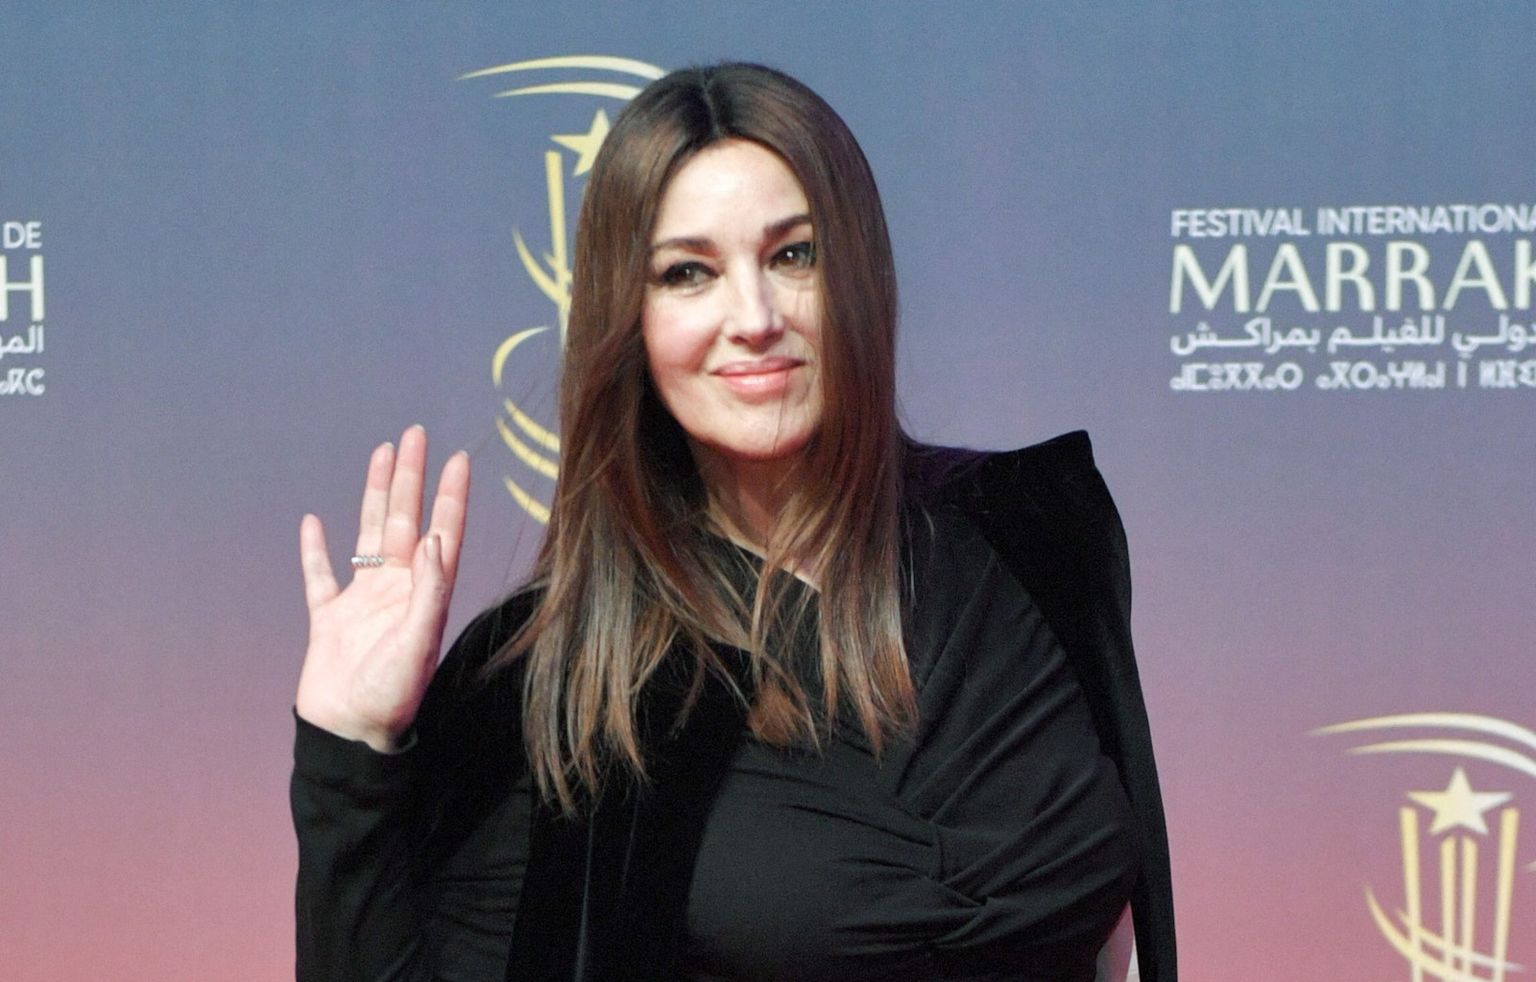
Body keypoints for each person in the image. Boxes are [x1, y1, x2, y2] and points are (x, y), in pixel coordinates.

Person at [291, 62, 1176, 981]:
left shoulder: (1031, 533)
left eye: (794, 256)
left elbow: (1112, 932)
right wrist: (347, 750)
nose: (754, 317)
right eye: (689, 273)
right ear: (629, 321)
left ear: (860, 272)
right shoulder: (558, 681)